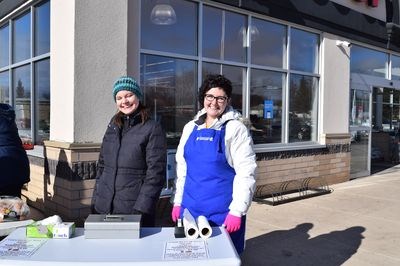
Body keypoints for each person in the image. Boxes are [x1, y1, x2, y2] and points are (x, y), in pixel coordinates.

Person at [171, 74, 257, 254]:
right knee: (193, 256)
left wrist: (237, 211)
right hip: (191, 212)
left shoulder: (235, 129)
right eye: (210, 96)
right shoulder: (190, 128)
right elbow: (183, 170)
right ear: (203, 98)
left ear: (228, 101)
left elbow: (246, 173)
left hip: (223, 214)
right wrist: (178, 202)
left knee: (223, 258)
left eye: (220, 98)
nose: (214, 102)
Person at [91, 76, 166, 227]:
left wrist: (141, 210)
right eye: (119, 98)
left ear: (137, 96)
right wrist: (95, 201)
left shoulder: (152, 128)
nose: (124, 101)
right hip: (104, 207)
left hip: (133, 210)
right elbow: (102, 167)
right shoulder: (113, 126)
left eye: (128, 95)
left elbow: (156, 173)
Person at [0, 103, 30, 198]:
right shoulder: (8, 118)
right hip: (19, 162)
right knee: (13, 201)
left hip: (4, 165)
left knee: (6, 203)